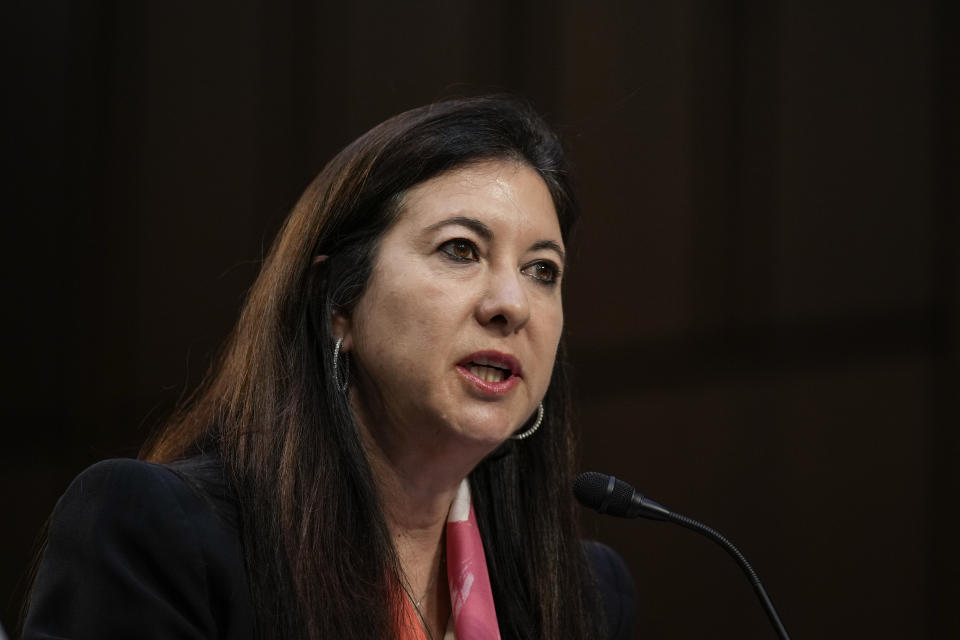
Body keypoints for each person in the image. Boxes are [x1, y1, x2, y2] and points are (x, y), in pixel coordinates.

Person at [22, 95, 636, 639]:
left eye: (542, 270)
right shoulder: (166, 536)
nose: (511, 305)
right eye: (461, 250)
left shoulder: (587, 596)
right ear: (338, 301)